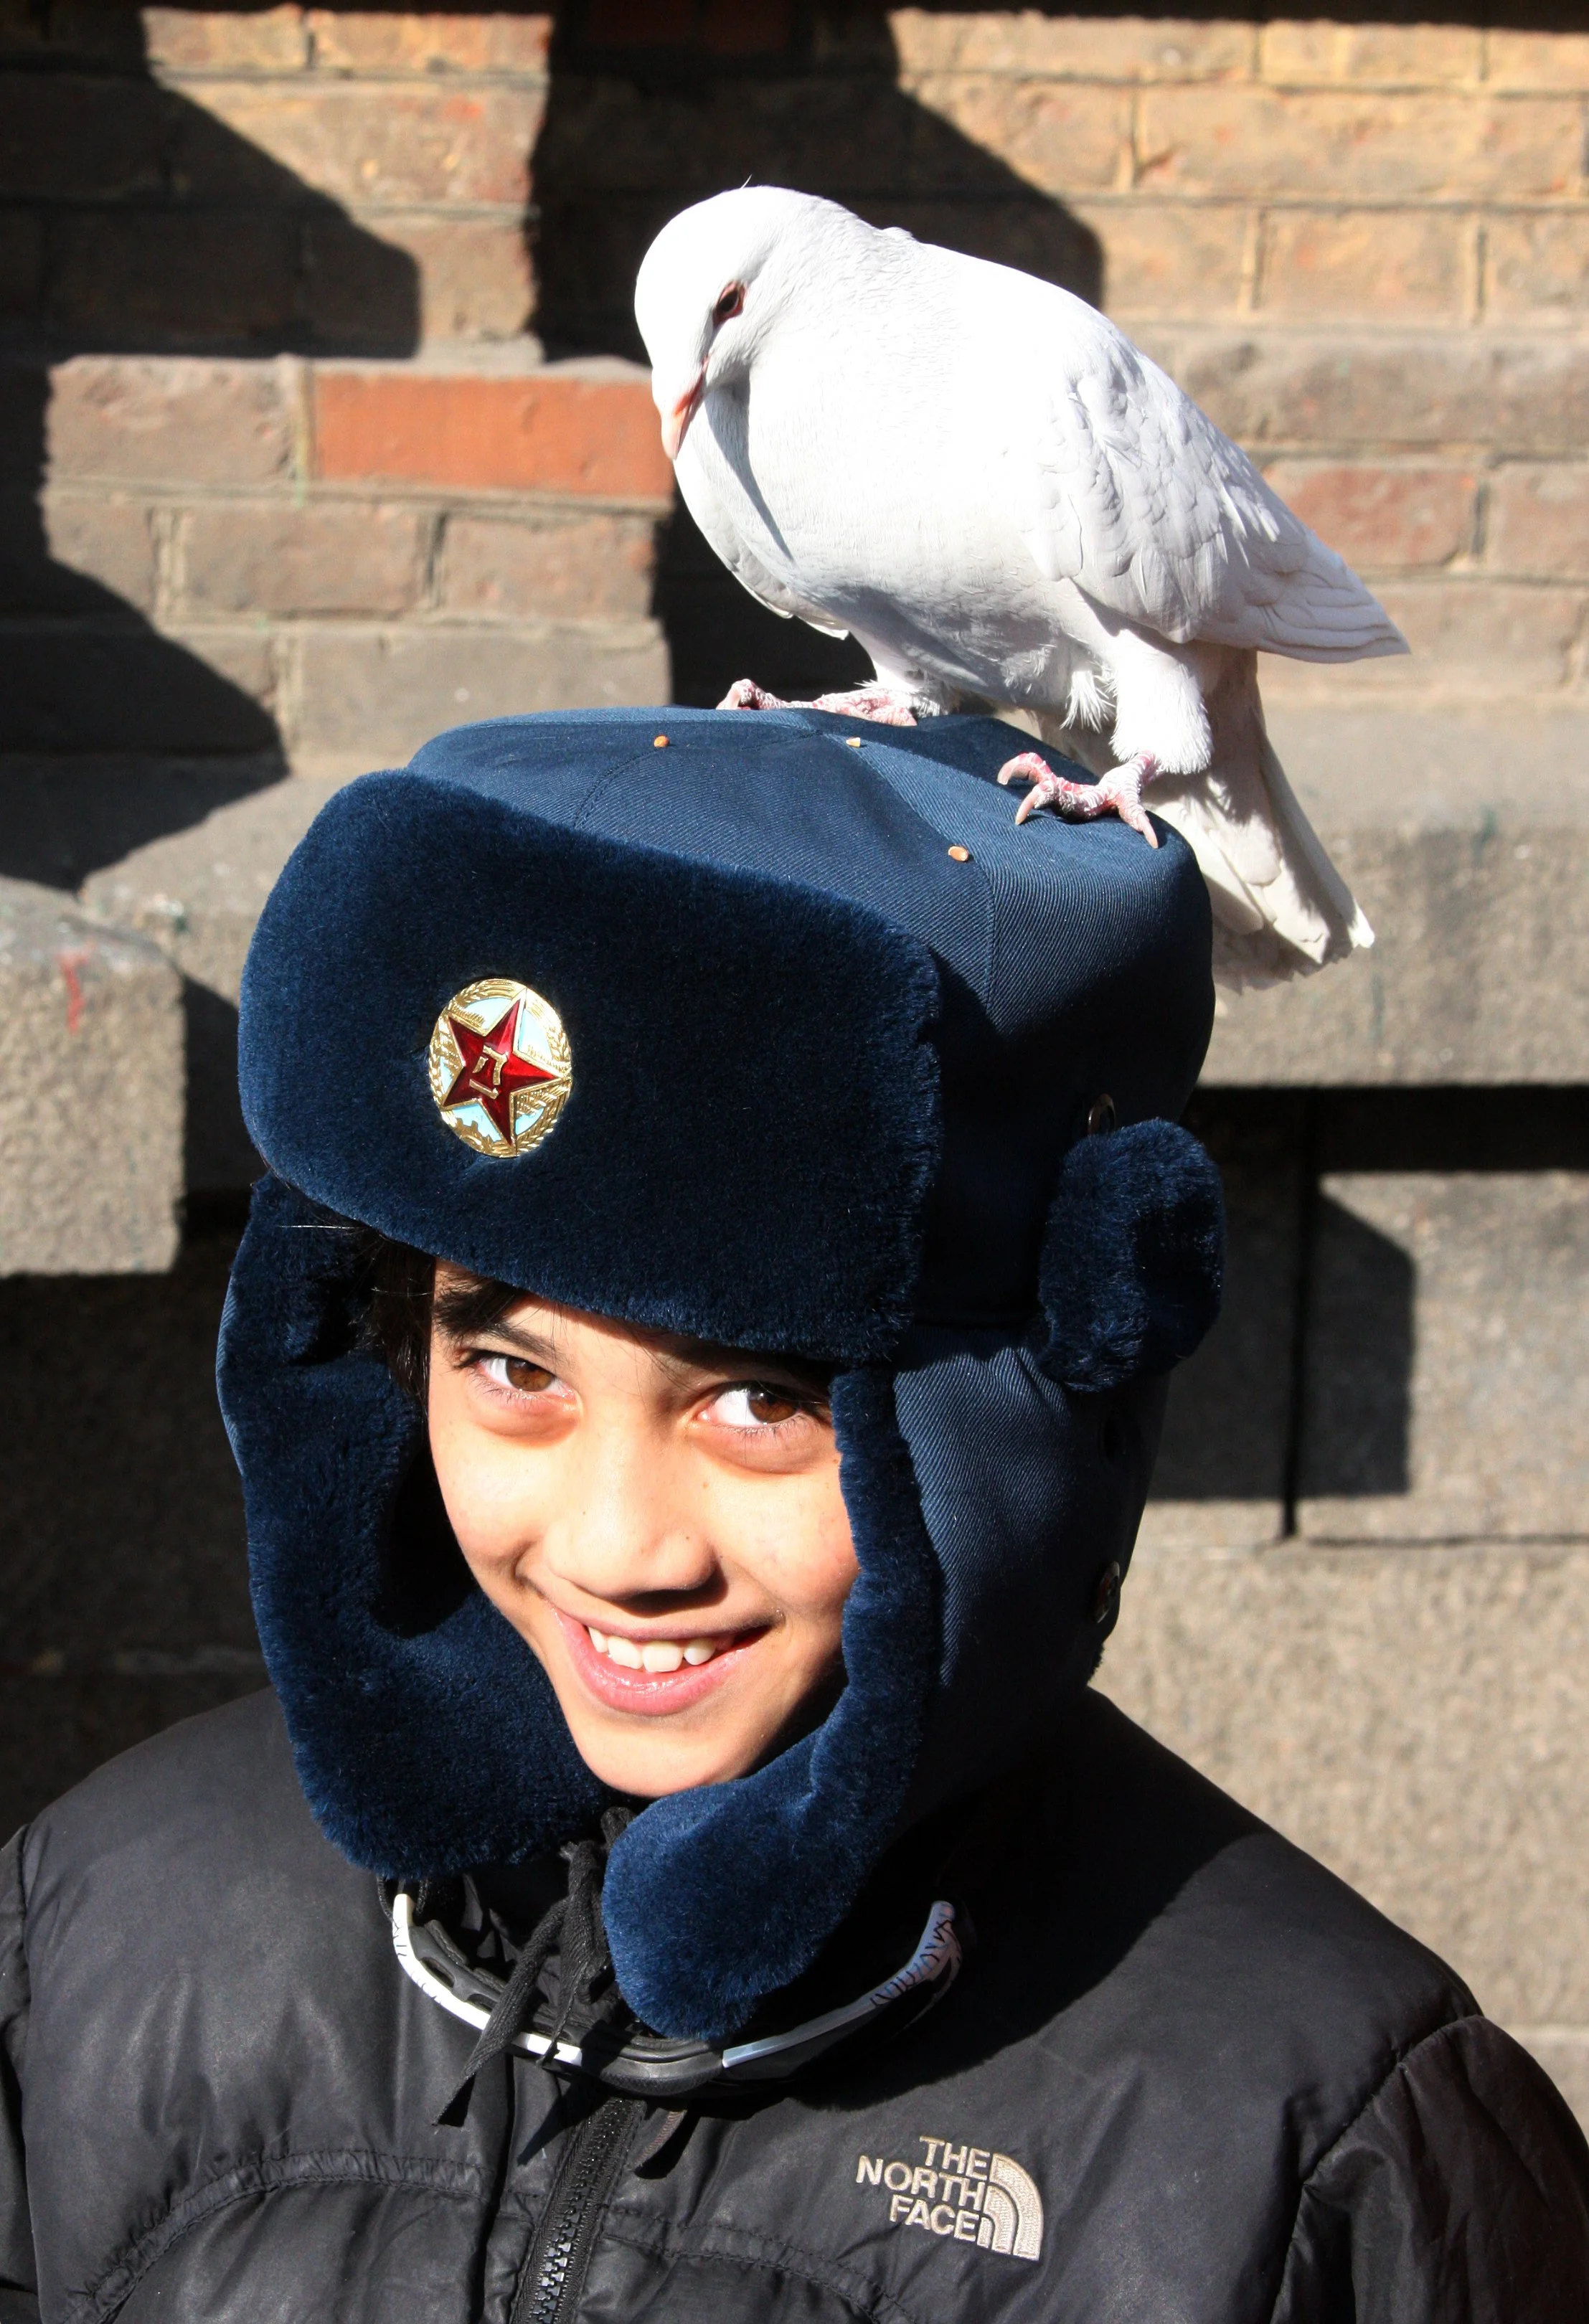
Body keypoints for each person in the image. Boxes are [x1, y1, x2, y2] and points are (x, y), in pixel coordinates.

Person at [1, 707, 1584, 2322]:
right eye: (507, 1364)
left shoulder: (1310, 2153)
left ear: (1024, 1413)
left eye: (761, 1401)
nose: (622, 1549)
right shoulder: (102, 1931)